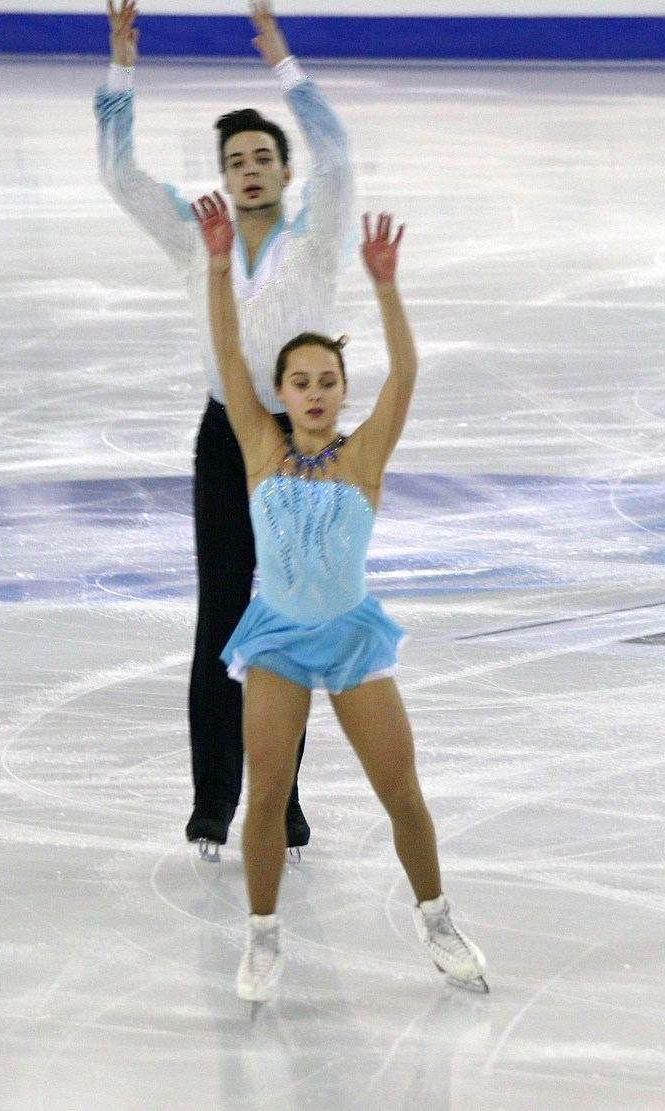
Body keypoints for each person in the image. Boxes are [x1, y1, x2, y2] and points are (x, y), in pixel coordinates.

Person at [192, 190, 489, 1001]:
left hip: (352, 639)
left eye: (327, 379)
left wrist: (386, 287)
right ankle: (261, 938)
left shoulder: (363, 459)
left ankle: (435, 920)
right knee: (267, 796)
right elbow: (226, 352)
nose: (315, 391)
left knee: (402, 792)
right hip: (280, 640)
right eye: (300, 380)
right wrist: (221, 267)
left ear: (342, 391)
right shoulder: (260, 449)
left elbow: (410, 371)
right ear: (281, 393)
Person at [94, 0, 354, 856]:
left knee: (287, 620)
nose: (249, 171)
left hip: (300, 448)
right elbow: (120, 176)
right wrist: (121, 68)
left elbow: (340, 153)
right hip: (224, 439)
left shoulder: (314, 236)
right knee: (222, 620)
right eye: (236, 161)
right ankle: (216, 801)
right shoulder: (196, 233)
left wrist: (283, 61)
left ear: (284, 172)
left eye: (262, 159)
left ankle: (279, 800)